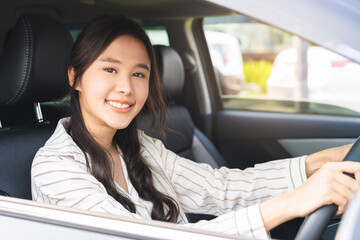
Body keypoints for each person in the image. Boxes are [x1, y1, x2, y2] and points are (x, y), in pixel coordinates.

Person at [31, 15, 360, 239]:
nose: (126, 89)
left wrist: (321, 162)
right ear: (75, 77)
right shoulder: (54, 168)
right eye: (111, 70)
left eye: (139, 74)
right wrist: (289, 204)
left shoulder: (139, 147)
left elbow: (222, 189)